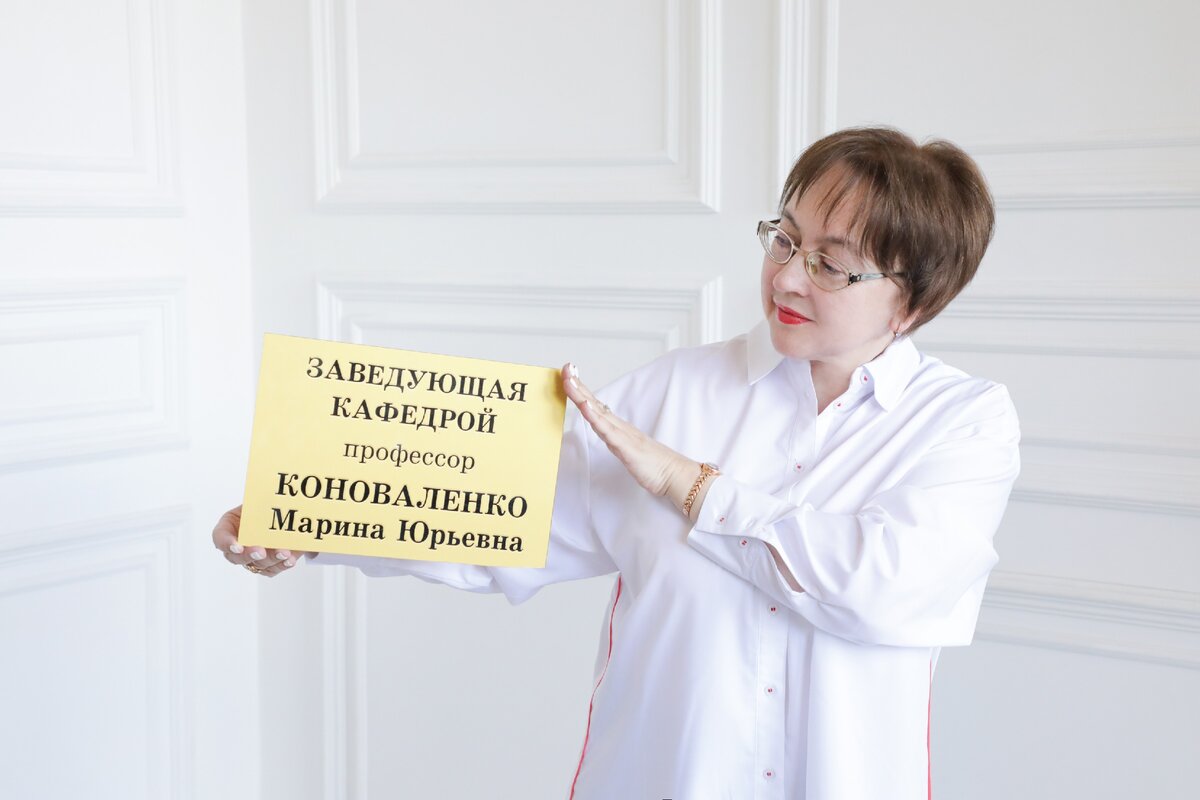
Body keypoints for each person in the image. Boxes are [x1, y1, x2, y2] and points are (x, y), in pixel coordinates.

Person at [213, 126, 1020, 800]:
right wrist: (310, 525)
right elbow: (501, 521)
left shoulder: (964, 425)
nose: (785, 276)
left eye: (831, 263)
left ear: (916, 300)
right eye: (784, 239)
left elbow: (880, 587)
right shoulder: (672, 392)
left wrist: (694, 489)